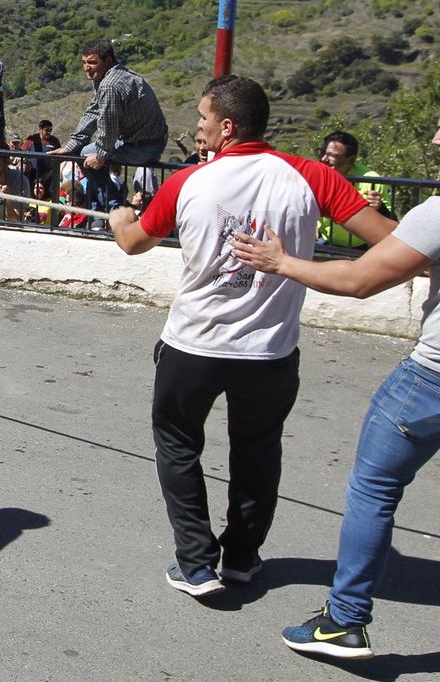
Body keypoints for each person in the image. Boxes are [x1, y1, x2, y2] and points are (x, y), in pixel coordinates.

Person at [106, 76, 394, 599]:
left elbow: (133, 242)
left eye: (202, 120)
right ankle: (240, 557)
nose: (198, 128)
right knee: (258, 451)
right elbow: (392, 244)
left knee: (177, 445)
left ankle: (196, 563)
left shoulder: (189, 182)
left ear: (227, 126)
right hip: (270, 352)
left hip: (193, 345)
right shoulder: (310, 177)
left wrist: (120, 216)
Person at [230, 122, 440, 661]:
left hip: (431, 382)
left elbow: (359, 281)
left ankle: (344, 621)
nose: (435, 140)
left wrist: (280, 262)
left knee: (374, 489)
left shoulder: (437, 214)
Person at [50, 39, 169, 212]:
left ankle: (113, 208)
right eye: (84, 62)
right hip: (150, 140)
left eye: (92, 62)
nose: (86, 67)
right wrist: (71, 144)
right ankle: (103, 208)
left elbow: (108, 124)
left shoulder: (109, 85)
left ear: (108, 61)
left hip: (143, 146)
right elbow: (94, 111)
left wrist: (101, 155)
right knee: (84, 152)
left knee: (88, 156)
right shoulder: (113, 75)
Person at [316, 131, 388, 249]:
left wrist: (380, 208)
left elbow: (390, 220)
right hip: (326, 242)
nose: (324, 159)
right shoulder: (320, 174)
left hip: (360, 247)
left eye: (333, 155)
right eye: (323, 153)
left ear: (351, 160)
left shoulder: (371, 179)